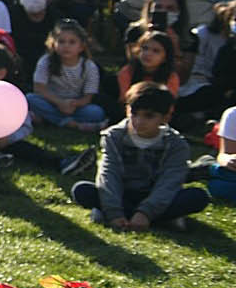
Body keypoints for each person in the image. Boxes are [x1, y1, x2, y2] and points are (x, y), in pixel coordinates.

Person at [70, 84, 209, 232]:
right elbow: (109, 174)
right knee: (81, 190)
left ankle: (144, 216)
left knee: (197, 196)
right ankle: (158, 219)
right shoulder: (114, 136)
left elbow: (169, 182)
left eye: (148, 116)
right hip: (122, 194)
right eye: (134, 113)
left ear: (165, 117)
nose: (139, 121)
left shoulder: (177, 144)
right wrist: (114, 212)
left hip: (157, 195)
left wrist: (145, 212)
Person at [30, 20, 105, 131]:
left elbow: (88, 97)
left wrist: (74, 104)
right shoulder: (46, 61)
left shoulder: (89, 66)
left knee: (96, 113)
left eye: (72, 42)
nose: (66, 46)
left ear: (81, 47)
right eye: (61, 42)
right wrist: (59, 103)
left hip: (75, 106)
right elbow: (39, 89)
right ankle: (68, 123)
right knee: (30, 99)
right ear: (53, 44)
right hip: (51, 101)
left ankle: (48, 119)